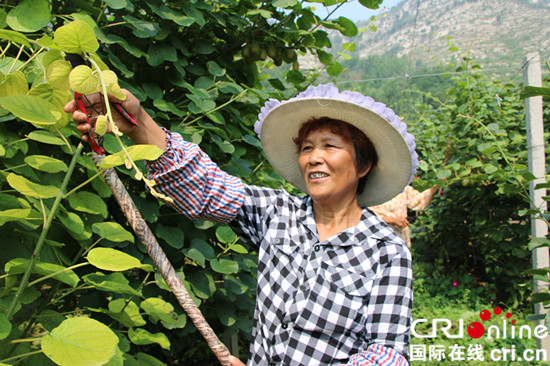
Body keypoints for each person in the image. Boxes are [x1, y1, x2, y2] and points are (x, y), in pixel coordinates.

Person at [65, 83, 418, 366]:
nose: (314, 158)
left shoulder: (385, 253)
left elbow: (386, 353)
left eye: (330, 146)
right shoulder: (278, 214)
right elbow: (205, 185)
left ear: (363, 164)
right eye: (307, 147)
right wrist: (137, 122)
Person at [370, 185, 438, 249]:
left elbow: (419, 201)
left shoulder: (403, 188)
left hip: (401, 240)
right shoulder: (371, 190)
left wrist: (437, 185)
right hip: (381, 242)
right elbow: (366, 217)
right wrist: (391, 220)